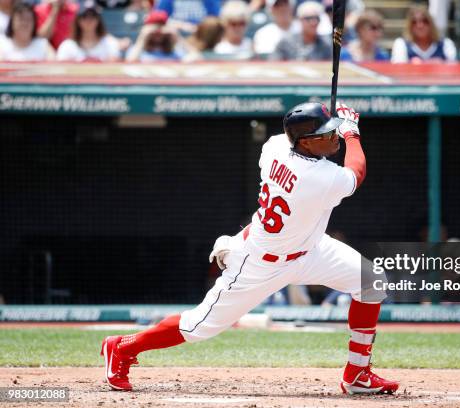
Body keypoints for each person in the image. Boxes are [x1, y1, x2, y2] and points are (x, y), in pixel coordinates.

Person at [100, 101, 400, 395]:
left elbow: (294, 135)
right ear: (306, 143)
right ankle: (122, 347)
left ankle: (357, 373)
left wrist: (324, 122)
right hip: (260, 263)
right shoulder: (319, 178)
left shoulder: (274, 146)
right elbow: (356, 172)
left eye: (334, 132)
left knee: (370, 281)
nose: (334, 137)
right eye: (327, 134)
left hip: (309, 249)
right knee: (198, 327)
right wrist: (351, 133)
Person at [391, 6, 457, 63]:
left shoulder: (446, 43)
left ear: (431, 23)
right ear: (409, 25)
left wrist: (424, 63)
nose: (420, 25)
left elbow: (453, 66)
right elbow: (399, 67)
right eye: (414, 22)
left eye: (425, 21)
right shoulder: (401, 44)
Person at [126, 10, 192, 61]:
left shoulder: (175, 50)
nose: (158, 32)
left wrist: (177, 36)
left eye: (161, 27)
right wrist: (143, 36)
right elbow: (129, 62)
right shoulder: (139, 50)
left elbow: (196, 57)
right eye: (155, 27)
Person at [155, 0, 220, 33]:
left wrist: (198, 28)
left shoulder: (211, 1)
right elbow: (157, 18)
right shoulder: (167, 1)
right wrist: (180, 25)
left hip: (201, 36)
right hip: (174, 36)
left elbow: (215, 20)